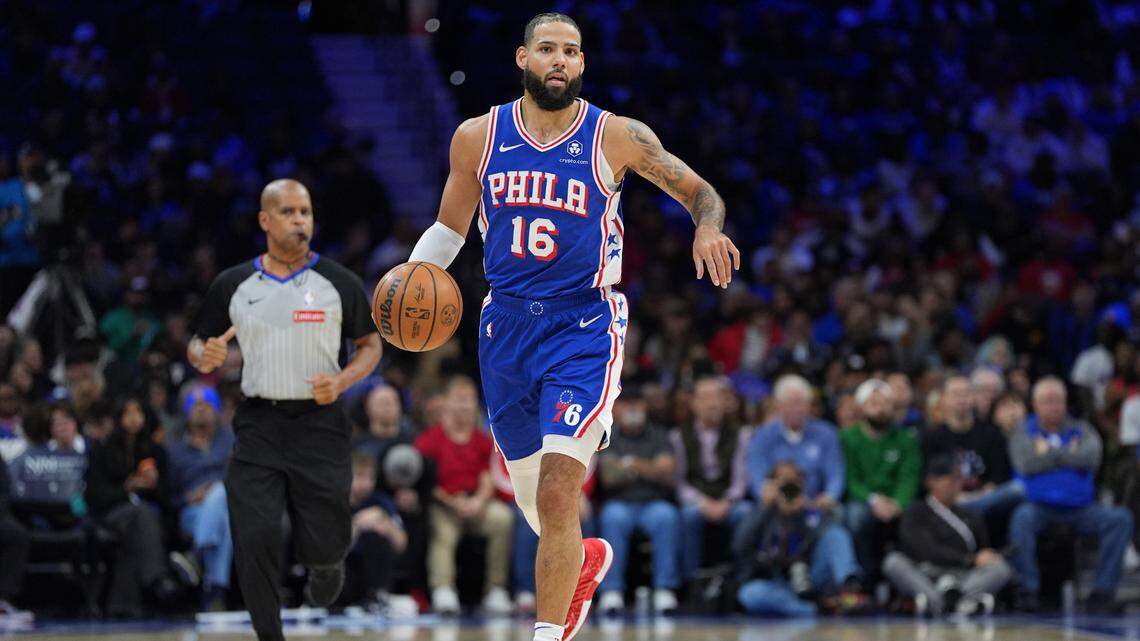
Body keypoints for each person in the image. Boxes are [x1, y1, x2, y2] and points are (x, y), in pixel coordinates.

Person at [405, 12, 741, 641]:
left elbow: (701, 192)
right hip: (505, 326)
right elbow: (450, 231)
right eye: (547, 49)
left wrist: (707, 227)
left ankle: (546, 633)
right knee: (535, 500)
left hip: (584, 325)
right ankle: (580, 561)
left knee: (561, 489)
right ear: (523, 58)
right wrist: (411, 274)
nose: (559, 60)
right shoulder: (477, 137)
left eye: (571, 51)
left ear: (582, 63)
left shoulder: (616, 135)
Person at [187, 179, 382, 641]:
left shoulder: (339, 281)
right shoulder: (233, 284)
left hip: (322, 423)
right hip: (260, 422)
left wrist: (342, 381)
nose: (300, 221)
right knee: (253, 534)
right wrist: (203, 356)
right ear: (265, 220)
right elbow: (199, 343)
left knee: (326, 541)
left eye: (305, 212)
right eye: (289, 212)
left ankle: (326, 565)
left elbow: (371, 345)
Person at [1007, 378, 1134, 614]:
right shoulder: (1023, 431)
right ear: (1035, 404)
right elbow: (1026, 464)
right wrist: (1068, 455)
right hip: (1040, 506)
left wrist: (1048, 454)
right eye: (1047, 401)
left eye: (1057, 401)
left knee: (1119, 519)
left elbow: (1091, 459)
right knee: (1021, 518)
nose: (1053, 406)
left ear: (1066, 403)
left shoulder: (1083, 429)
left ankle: (1103, 592)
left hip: (1081, 508)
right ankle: (1028, 590)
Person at [414, 376, 514, 615]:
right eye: (458, 399)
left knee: (503, 518)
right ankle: (443, 589)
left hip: (477, 504)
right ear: (446, 402)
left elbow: (487, 476)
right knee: (443, 531)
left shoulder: (483, 440)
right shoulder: (430, 439)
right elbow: (426, 483)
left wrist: (478, 501)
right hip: (444, 505)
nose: (464, 405)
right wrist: (452, 502)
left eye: (468, 399)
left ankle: (496, 589)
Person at [882, 454, 1012, 617]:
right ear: (931, 481)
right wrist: (969, 559)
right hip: (927, 572)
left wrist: (986, 556)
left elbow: (981, 549)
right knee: (893, 562)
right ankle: (952, 602)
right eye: (950, 479)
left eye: (959, 479)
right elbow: (924, 549)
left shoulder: (971, 515)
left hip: (962, 576)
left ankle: (945, 601)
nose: (956, 485)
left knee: (1001, 568)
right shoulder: (916, 512)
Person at [735, 461, 866, 617]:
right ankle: (817, 609)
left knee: (835, 534)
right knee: (750, 594)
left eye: (795, 481)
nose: (789, 488)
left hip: (810, 576)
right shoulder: (760, 511)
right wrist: (764, 508)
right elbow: (739, 546)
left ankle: (849, 588)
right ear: (771, 484)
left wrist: (804, 513)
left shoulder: (809, 511)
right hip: (777, 583)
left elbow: (828, 540)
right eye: (784, 481)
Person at [595, 389, 681, 614]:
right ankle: (611, 590)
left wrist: (631, 464)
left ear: (646, 407)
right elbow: (609, 476)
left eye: (637, 403)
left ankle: (664, 588)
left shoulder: (659, 435)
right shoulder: (607, 434)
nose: (633, 408)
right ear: (615, 408)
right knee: (612, 518)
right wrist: (650, 468)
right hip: (619, 503)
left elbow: (667, 471)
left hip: (653, 503)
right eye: (626, 403)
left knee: (667, 516)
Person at [669, 376, 752, 583]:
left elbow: (741, 479)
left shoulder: (741, 434)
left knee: (745, 512)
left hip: (729, 500)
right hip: (697, 500)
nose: (712, 403)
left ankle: (740, 578)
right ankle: (690, 581)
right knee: (689, 515)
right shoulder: (678, 436)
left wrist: (727, 501)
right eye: (705, 398)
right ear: (694, 403)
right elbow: (680, 482)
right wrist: (703, 503)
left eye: (717, 397)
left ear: (725, 402)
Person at [839, 379, 920, 577]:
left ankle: (910, 577)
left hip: (895, 500)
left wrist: (898, 502)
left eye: (885, 403)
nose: (880, 409)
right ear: (861, 407)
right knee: (855, 516)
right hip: (864, 500)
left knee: (917, 513)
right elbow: (850, 480)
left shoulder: (905, 438)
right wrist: (874, 500)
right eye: (873, 403)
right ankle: (863, 576)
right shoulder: (847, 438)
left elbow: (909, 477)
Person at [166, 386, 235, 611]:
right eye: (195, 405)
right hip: (192, 511)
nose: (201, 409)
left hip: (230, 504)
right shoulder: (175, 450)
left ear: (216, 410)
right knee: (224, 521)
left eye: (207, 404)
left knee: (220, 496)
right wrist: (187, 498)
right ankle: (216, 593)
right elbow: (169, 495)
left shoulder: (231, 441)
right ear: (187, 413)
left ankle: (195, 556)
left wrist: (216, 489)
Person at [342, 451, 407, 614]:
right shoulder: (335, 502)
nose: (366, 483)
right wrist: (357, 523)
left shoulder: (381, 502)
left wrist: (388, 526)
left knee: (377, 537)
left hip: (374, 569)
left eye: (370, 478)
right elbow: (334, 551)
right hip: (345, 569)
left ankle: (378, 594)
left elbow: (401, 544)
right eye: (360, 476)